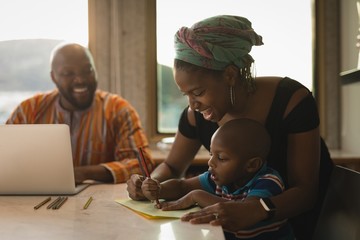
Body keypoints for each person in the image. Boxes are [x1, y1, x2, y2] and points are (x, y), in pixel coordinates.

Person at [127, 15, 334, 239]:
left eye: (198, 93)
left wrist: (257, 210)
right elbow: (172, 166)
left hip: (301, 226)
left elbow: (306, 192)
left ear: (230, 75)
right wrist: (151, 185)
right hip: (234, 229)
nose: (192, 105)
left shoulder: (292, 101)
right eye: (185, 94)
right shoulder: (196, 115)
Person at [6, 42, 155, 184]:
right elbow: (4, 157)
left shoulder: (118, 110)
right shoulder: (29, 111)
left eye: (87, 70)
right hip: (35, 199)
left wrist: (81, 173)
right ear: (53, 77)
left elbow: (142, 164)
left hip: (97, 204)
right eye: (68, 73)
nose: (80, 80)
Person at [141, 118, 294, 240]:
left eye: (220, 158)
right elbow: (182, 186)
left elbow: (243, 211)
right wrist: (159, 189)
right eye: (211, 155)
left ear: (252, 165)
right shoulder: (219, 178)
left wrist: (197, 195)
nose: (211, 162)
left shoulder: (268, 182)